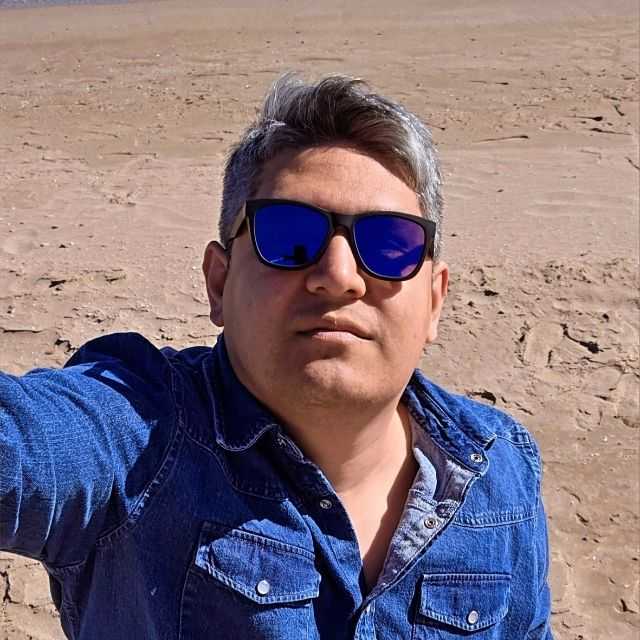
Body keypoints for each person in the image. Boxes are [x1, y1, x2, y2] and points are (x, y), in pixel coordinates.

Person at [0, 74, 553, 639]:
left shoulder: (500, 471)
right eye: (289, 236)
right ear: (219, 283)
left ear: (434, 301)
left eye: (390, 245)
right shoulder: (141, 441)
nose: (338, 276)